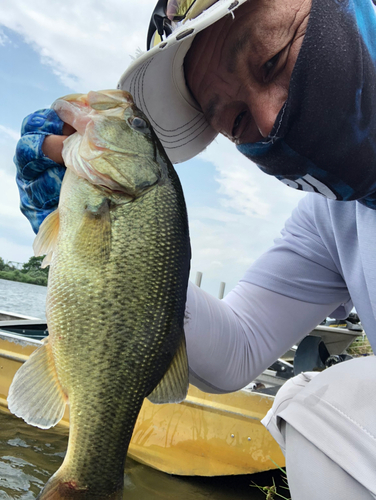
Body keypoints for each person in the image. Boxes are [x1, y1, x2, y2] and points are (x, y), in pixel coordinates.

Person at [14, 0, 376, 497]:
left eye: (271, 60)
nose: (269, 121)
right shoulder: (329, 219)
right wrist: (122, 271)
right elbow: (240, 347)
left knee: (326, 401)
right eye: (237, 122)